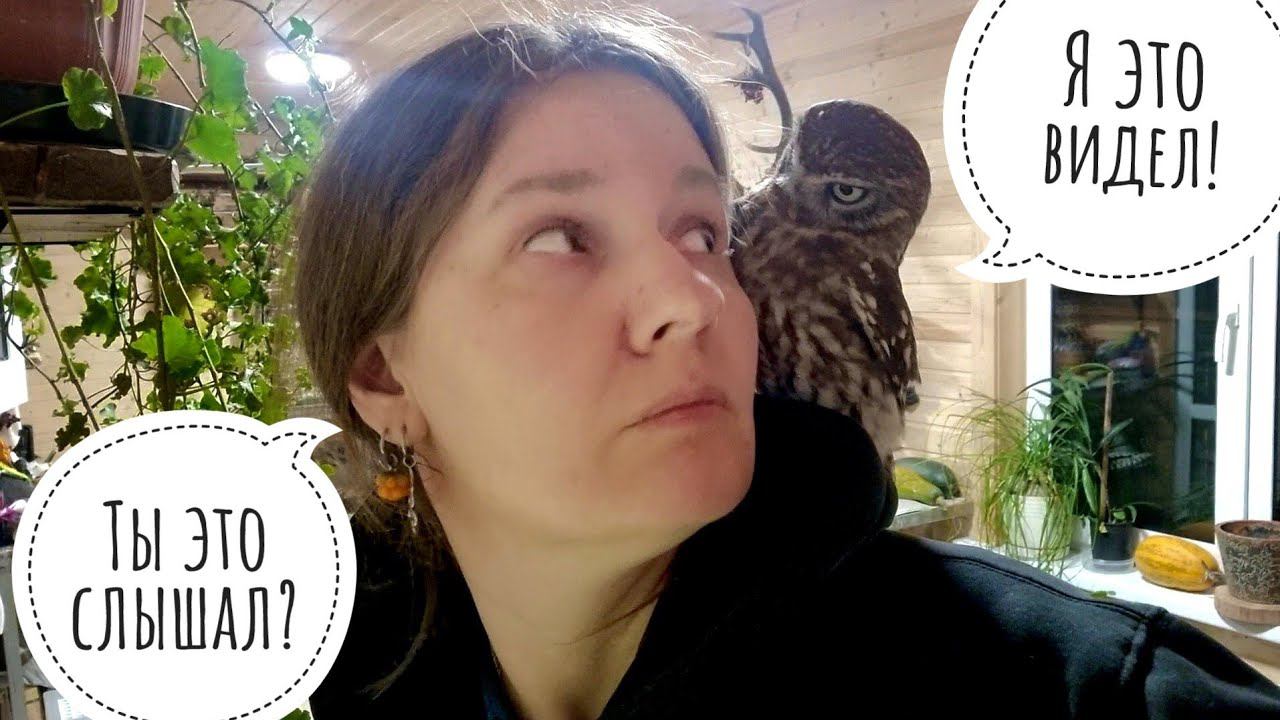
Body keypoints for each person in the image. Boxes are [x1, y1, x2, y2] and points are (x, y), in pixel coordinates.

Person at [290, 8, 1280, 719]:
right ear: (384, 377)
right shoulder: (340, 665)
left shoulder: (1072, 689)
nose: (694, 296)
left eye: (701, 232)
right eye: (561, 237)